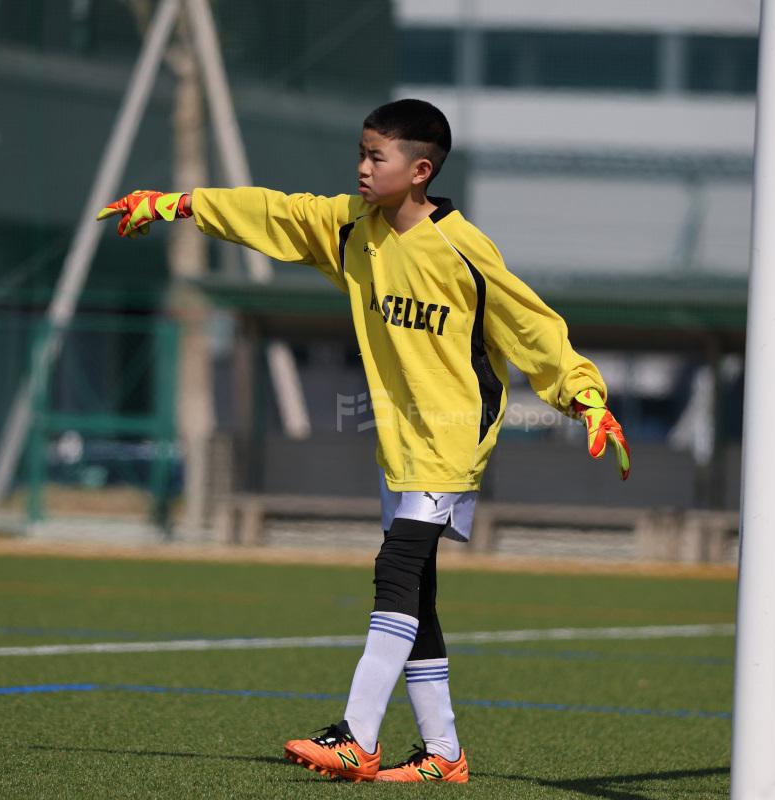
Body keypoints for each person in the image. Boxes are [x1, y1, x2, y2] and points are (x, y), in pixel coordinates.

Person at [97, 98, 631, 783]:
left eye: (377, 157)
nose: (362, 167)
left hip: (450, 438)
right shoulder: (353, 228)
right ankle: (443, 754)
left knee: (396, 569)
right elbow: (272, 213)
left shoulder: (463, 249)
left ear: (420, 170)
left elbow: (533, 327)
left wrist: (585, 398)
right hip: (397, 442)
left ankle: (357, 736)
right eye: (361, 153)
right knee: (417, 595)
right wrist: (179, 204)